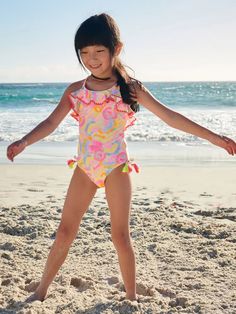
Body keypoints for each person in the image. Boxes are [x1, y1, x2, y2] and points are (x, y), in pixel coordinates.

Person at [6, 13, 236, 302]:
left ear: (116, 49)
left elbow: (171, 118)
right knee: (64, 231)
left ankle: (131, 297)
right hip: (85, 167)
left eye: (99, 51)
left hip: (116, 165)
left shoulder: (130, 89)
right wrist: (24, 141)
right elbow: (51, 123)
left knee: (120, 236)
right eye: (84, 52)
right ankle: (40, 291)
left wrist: (216, 138)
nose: (91, 59)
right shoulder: (76, 91)